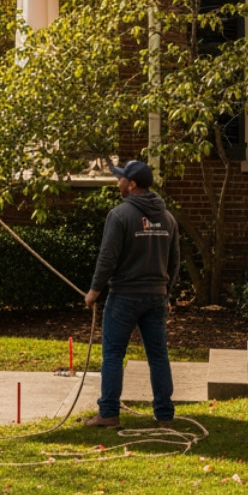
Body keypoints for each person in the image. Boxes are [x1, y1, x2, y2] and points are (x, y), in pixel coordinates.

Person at [83, 159, 180, 428]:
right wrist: (167, 294)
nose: (118, 182)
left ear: (132, 184)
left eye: (121, 178)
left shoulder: (119, 215)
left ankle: (108, 414)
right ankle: (164, 415)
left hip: (124, 297)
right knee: (158, 356)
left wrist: (93, 292)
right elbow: (174, 262)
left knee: (113, 355)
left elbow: (107, 258)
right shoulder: (168, 218)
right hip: (156, 297)